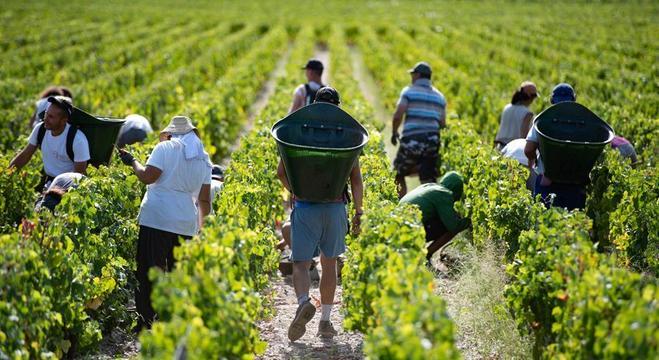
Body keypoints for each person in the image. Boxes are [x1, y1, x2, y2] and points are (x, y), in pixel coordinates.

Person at [277, 87, 363, 341]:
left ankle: (304, 301)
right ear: (337, 106)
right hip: (335, 207)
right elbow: (356, 180)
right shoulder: (346, 135)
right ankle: (325, 321)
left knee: (301, 264)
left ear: (314, 105)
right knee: (329, 264)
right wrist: (359, 211)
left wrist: (297, 190)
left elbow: (282, 173)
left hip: (305, 207)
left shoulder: (298, 132)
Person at [118, 115, 212, 330]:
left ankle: (146, 322)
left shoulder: (166, 148)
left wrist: (132, 161)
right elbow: (204, 200)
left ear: (170, 134)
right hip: (185, 222)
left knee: (149, 270)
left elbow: (148, 176)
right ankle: (175, 320)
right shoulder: (203, 159)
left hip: (157, 218)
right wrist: (202, 229)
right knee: (178, 273)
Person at [525, 83, 588, 210]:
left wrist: (534, 159)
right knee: (574, 224)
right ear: (574, 99)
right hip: (575, 183)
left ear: (552, 100)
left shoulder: (542, 119)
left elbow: (529, 149)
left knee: (545, 223)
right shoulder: (585, 121)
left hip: (547, 182)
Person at [391, 61, 447, 198]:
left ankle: (401, 204)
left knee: (398, 173)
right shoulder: (440, 97)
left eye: (413, 74)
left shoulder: (409, 92)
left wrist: (394, 132)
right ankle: (430, 208)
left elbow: (398, 115)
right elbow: (443, 124)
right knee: (428, 178)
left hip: (412, 141)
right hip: (433, 142)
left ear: (418, 75)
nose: (411, 77)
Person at [10, 96, 90, 189]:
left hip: (68, 186)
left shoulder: (78, 140)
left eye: (51, 117)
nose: (45, 119)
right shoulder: (40, 129)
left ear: (64, 121)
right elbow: (25, 155)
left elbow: (78, 176)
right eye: (46, 114)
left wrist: (59, 192)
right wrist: (7, 174)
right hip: (49, 182)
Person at [399, 171, 470, 264]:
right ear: (457, 190)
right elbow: (454, 226)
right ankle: (425, 255)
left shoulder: (431, 186)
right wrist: (468, 221)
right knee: (452, 225)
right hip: (408, 231)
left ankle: (416, 252)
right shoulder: (444, 194)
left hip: (398, 225)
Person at [494, 81, 538, 149]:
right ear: (531, 97)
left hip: (500, 147)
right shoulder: (527, 113)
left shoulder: (507, 108)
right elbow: (524, 137)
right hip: (513, 150)